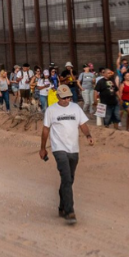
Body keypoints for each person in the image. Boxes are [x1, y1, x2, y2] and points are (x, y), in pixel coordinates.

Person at [40, 84, 94, 225]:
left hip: (73, 149)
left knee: (68, 179)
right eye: (64, 97)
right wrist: (42, 148)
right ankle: (70, 212)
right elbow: (46, 130)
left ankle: (62, 206)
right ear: (58, 97)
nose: (66, 100)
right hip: (59, 148)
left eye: (69, 97)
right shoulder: (51, 110)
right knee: (66, 178)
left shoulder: (75, 108)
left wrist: (88, 135)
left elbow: (82, 124)